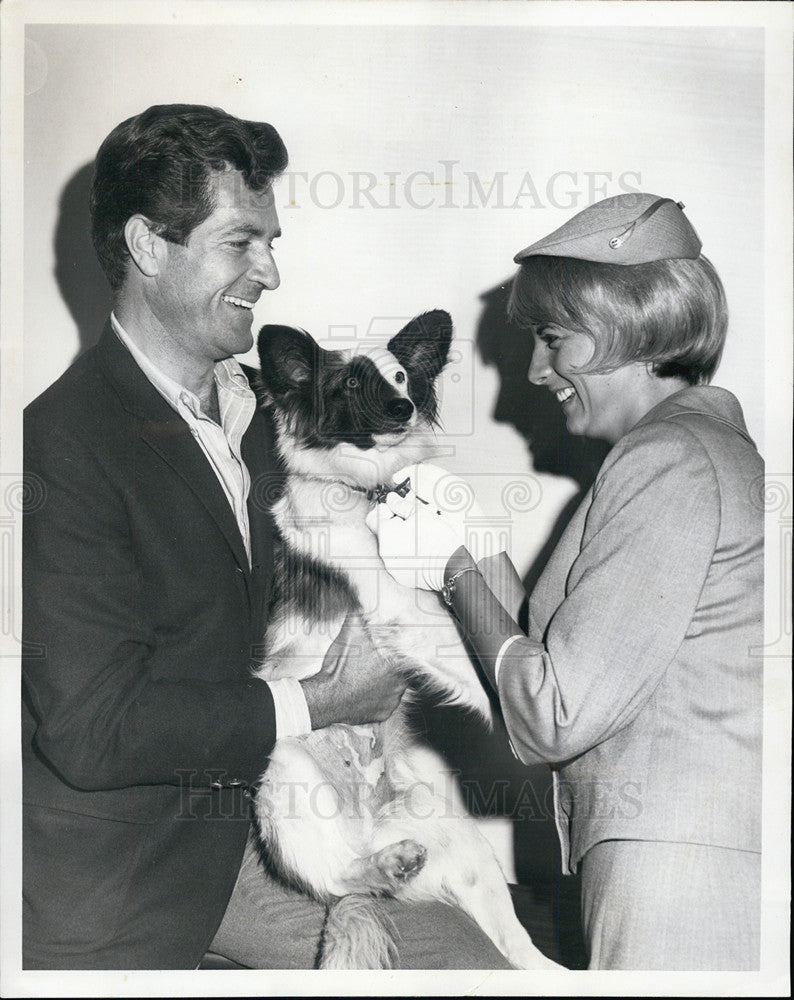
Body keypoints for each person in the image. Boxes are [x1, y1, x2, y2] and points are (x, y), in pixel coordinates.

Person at [22, 103, 517, 970]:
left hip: (334, 797)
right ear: (147, 245)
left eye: (273, 240)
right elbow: (92, 731)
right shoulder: (61, 445)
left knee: (491, 957)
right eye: (241, 242)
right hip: (162, 862)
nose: (272, 272)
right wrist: (321, 702)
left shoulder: (284, 409)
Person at [369, 193, 763, 971]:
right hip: (676, 856)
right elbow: (555, 648)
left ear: (629, 329)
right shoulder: (693, 449)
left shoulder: (671, 460)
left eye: (553, 339)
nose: (535, 370)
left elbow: (557, 710)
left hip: (676, 872)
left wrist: (451, 571)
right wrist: (469, 537)